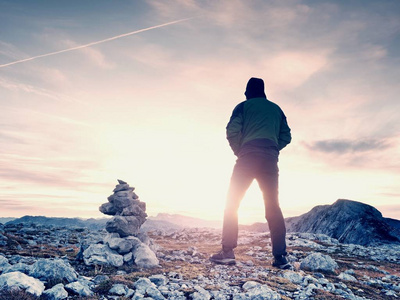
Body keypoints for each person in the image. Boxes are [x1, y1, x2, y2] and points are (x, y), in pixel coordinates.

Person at [210, 77, 292, 269]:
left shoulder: (243, 107)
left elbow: (232, 131)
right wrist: (272, 149)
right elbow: (286, 136)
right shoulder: (276, 109)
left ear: (248, 92)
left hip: (247, 157)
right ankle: (280, 258)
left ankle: (228, 252)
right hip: (270, 161)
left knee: (232, 202)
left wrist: (240, 150)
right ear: (263, 92)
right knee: (273, 207)